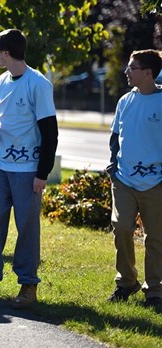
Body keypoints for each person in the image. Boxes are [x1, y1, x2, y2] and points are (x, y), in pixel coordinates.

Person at [0, 29, 58, 308]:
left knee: (27, 228)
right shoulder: (2, 80)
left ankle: (27, 286)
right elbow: (5, 123)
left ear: (5, 52)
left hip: (28, 171)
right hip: (0, 167)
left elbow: (50, 133)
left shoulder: (38, 84)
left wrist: (42, 174)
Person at [106, 49, 162, 307]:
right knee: (122, 228)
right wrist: (113, 168)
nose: (126, 72)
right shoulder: (125, 101)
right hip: (125, 180)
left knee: (156, 237)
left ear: (148, 72)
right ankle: (126, 282)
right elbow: (115, 137)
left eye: (132, 67)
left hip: (156, 181)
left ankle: (155, 290)